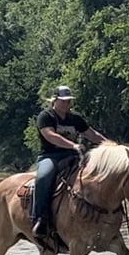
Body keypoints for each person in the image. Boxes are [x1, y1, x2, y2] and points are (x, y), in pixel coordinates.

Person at [31, 85, 107, 239]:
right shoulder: (45, 117)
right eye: (64, 101)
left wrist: (110, 145)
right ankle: (39, 218)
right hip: (51, 157)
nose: (67, 104)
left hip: (73, 156)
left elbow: (91, 134)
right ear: (55, 100)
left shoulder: (75, 119)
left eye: (69, 101)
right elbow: (51, 136)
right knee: (44, 177)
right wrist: (73, 145)